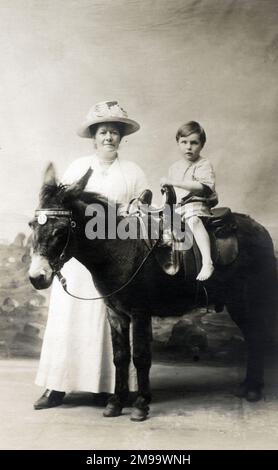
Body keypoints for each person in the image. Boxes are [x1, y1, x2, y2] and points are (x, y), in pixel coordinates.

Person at [34, 100, 148, 409]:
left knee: (110, 320)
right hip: (76, 256)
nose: (108, 137)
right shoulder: (77, 169)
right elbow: (61, 210)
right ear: (94, 137)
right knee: (68, 317)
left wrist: (131, 215)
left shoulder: (133, 172)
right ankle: (56, 387)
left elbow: (139, 213)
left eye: (114, 132)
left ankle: (107, 388)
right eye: (103, 132)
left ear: (121, 137)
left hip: (114, 260)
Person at [160, 121, 217, 281]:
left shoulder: (203, 164)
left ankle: (207, 262)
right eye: (184, 142)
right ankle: (169, 265)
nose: (188, 147)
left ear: (202, 145)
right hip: (178, 208)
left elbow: (202, 187)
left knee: (194, 221)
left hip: (197, 206)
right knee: (161, 228)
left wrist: (174, 182)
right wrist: (163, 203)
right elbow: (170, 194)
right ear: (178, 143)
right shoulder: (174, 167)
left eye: (194, 143)